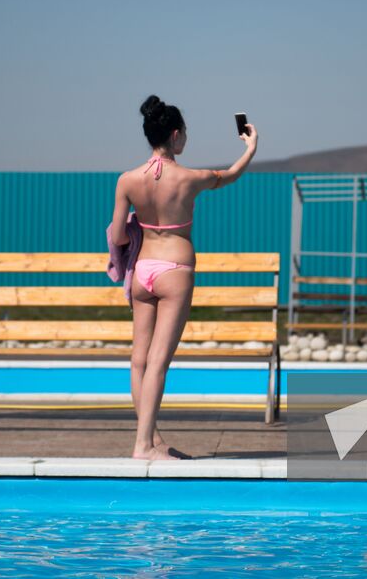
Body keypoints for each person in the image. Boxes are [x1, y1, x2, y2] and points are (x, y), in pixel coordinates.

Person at [108, 95, 258, 461]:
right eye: (185, 133)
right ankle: (143, 446)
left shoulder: (127, 180)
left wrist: (134, 231)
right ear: (175, 136)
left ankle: (151, 438)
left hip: (143, 272)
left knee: (139, 360)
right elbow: (231, 175)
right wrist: (250, 148)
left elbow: (117, 236)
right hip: (175, 271)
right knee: (159, 361)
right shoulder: (192, 178)